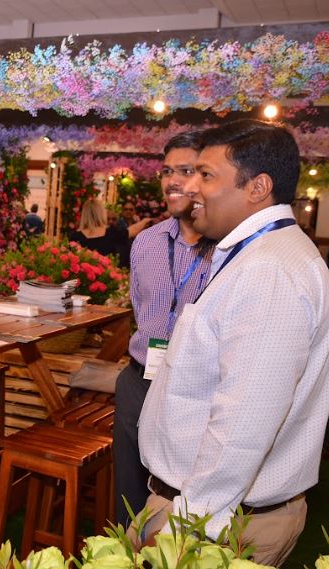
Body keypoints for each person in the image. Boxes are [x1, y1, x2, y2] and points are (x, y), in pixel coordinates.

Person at [136, 120, 329, 566]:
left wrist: (183, 531)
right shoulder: (257, 255)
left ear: (257, 187)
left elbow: (242, 427)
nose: (189, 187)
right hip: (208, 513)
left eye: (206, 175)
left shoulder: (270, 272)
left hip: (212, 525)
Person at [112, 131, 213, 526]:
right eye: (167, 171)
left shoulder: (227, 250)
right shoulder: (147, 243)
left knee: (180, 505)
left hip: (192, 393)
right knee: (129, 500)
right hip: (138, 381)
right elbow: (141, 307)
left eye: (186, 171)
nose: (172, 181)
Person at [69, 198, 131, 267]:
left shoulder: (75, 237)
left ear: (84, 214)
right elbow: (131, 231)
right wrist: (144, 221)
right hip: (107, 276)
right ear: (101, 213)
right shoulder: (111, 233)